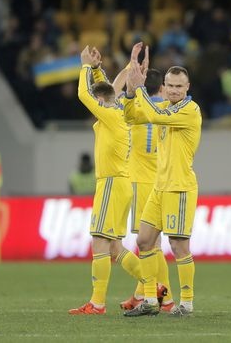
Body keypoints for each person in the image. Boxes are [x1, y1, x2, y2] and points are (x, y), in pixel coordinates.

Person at [123, 42, 202, 317]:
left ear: (187, 87)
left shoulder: (189, 111)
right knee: (144, 241)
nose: (173, 90)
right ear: (165, 86)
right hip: (160, 186)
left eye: (179, 86)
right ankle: (149, 300)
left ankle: (187, 303)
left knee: (179, 247)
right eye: (169, 85)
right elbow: (132, 117)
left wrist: (141, 89)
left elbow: (154, 115)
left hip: (180, 187)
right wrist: (132, 93)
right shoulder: (166, 106)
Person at [68, 46, 144, 315]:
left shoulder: (110, 115)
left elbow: (83, 93)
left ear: (100, 104)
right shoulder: (118, 110)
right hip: (120, 184)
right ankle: (152, 285)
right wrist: (105, 69)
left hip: (112, 183)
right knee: (113, 247)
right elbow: (112, 88)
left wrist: (85, 66)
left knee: (99, 243)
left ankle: (97, 303)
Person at [113, 65, 175, 313]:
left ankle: (164, 298)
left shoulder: (135, 106)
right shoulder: (169, 108)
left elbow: (112, 94)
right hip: (162, 180)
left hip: (140, 180)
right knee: (155, 244)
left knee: (149, 246)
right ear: (162, 87)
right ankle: (141, 295)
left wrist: (130, 71)